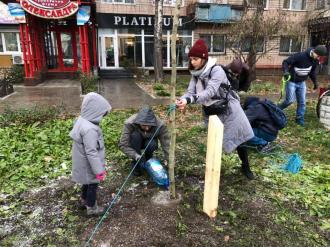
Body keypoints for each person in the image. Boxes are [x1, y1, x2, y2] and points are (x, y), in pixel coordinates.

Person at [176, 39, 255, 179]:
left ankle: (246, 166)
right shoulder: (195, 74)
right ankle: (213, 169)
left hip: (229, 110)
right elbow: (190, 92)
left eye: (195, 59)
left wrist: (190, 100)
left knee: (239, 138)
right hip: (211, 112)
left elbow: (210, 92)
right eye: (191, 59)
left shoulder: (216, 70)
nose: (192, 62)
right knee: (215, 140)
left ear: (204, 58)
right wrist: (183, 99)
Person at [69, 92, 112, 216]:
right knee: (93, 185)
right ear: (95, 111)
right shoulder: (90, 130)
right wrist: (99, 171)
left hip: (82, 163)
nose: (102, 117)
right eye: (102, 114)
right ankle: (92, 208)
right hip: (89, 166)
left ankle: (84, 200)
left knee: (86, 183)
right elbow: (91, 152)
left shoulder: (82, 121)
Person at [278, 45, 328, 126]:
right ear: (314, 52)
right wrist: (286, 71)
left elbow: (312, 72)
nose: (319, 58)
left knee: (302, 102)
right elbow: (285, 62)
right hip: (292, 82)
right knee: (289, 100)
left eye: (320, 57)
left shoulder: (315, 60)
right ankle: (276, 109)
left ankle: (299, 119)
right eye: (318, 56)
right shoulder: (300, 56)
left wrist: (315, 82)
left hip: (302, 83)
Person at [119, 106, 170, 176]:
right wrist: (135, 155)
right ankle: (136, 162)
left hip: (150, 142)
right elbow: (123, 145)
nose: (147, 128)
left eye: (149, 125)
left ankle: (148, 158)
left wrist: (169, 160)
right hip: (135, 142)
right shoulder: (129, 123)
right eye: (143, 125)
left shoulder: (160, 125)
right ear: (138, 122)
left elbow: (166, 144)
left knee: (151, 144)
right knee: (135, 136)